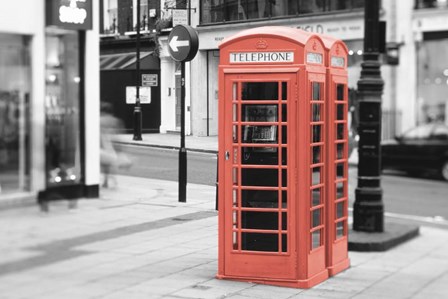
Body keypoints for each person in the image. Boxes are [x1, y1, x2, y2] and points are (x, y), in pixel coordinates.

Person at [100, 102, 131, 187]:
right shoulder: (116, 121)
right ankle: (110, 178)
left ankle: (106, 179)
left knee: (104, 163)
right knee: (109, 162)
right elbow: (120, 132)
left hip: (103, 144)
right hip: (113, 144)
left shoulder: (99, 120)